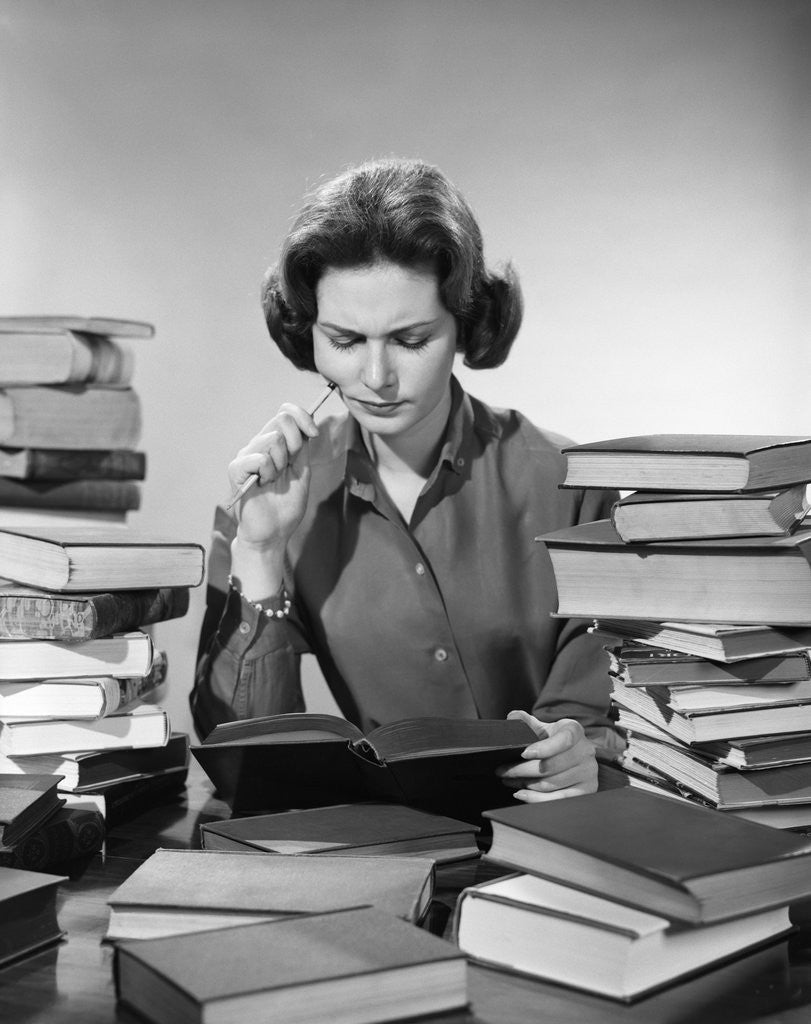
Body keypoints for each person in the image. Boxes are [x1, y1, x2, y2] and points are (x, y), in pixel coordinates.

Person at [191, 158, 623, 803]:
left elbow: (614, 718)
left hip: (556, 847)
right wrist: (260, 553)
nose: (375, 376)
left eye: (411, 340)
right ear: (306, 333)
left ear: (465, 326)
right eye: (343, 339)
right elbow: (249, 759)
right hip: (375, 853)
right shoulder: (272, 498)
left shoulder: (571, 484)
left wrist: (586, 755)